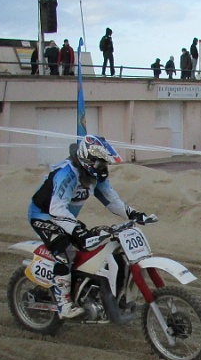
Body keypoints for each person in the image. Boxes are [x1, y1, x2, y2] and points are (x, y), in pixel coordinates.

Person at [27, 134, 157, 318]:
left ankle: (90, 291)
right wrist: (78, 231)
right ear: (89, 160)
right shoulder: (67, 173)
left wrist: (134, 214)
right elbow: (56, 209)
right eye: (100, 162)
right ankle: (64, 304)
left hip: (65, 218)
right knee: (65, 252)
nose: (103, 167)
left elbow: (112, 201)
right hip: (44, 216)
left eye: (105, 163)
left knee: (96, 246)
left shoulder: (93, 176)